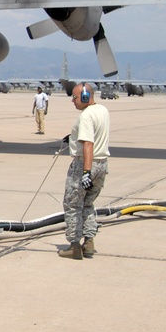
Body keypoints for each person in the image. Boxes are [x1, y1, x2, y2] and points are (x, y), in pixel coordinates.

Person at [58, 82, 110, 260]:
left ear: (86, 96)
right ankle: (89, 242)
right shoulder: (102, 110)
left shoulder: (86, 116)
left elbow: (88, 143)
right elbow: (92, 135)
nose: (73, 100)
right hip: (102, 164)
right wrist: (72, 138)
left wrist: (86, 172)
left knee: (72, 205)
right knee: (88, 204)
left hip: (85, 164)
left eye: (75, 97)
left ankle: (74, 246)